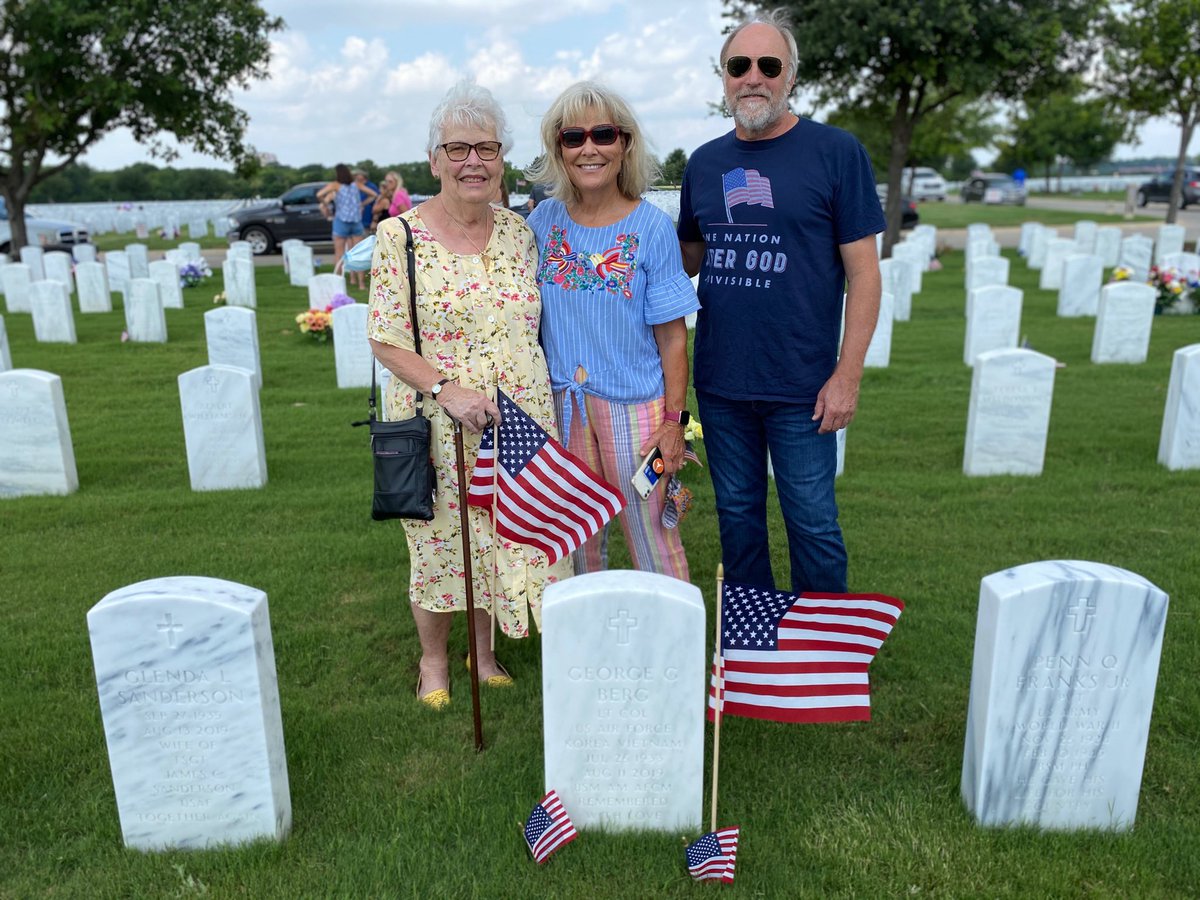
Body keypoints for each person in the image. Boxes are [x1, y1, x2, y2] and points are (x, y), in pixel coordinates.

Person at [368, 81, 571, 710]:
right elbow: (386, 339)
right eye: (458, 149)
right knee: (437, 545)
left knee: (493, 536)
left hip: (516, 420)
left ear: (502, 159)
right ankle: (434, 661)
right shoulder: (399, 237)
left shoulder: (520, 233)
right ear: (434, 160)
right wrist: (446, 389)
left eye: (486, 148)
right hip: (437, 419)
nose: (473, 162)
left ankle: (483, 655)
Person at [677, 9, 883, 595]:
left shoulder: (836, 152)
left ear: (791, 76)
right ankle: (753, 645)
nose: (753, 78)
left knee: (812, 524)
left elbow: (864, 275)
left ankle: (823, 653)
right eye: (738, 66)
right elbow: (684, 261)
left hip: (805, 386)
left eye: (769, 65)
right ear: (723, 78)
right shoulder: (705, 163)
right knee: (738, 520)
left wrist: (848, 375)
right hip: (722, 385)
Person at [526, 81, 698, 581]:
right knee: (574, 537)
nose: (589, 148)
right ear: (558, 149)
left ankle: (673, 647)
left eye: (603, 133)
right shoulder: (543, 223)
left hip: (636, 410)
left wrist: (674, 422)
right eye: (573, 137)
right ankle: (582, 647)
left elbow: (672, 337)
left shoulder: (651, 228)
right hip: (563, 409)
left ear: (625, 143)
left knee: (652, 536)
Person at [318, 163, 375, 288]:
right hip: (356, 221)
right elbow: (373, 194)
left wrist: (325, 204)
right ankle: (361, 284)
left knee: (339, 253)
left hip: (341, 221)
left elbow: (319, 194)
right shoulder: (356, 185)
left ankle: (337, 282)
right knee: (358, 254)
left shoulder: (335, 185)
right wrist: (362, 204)